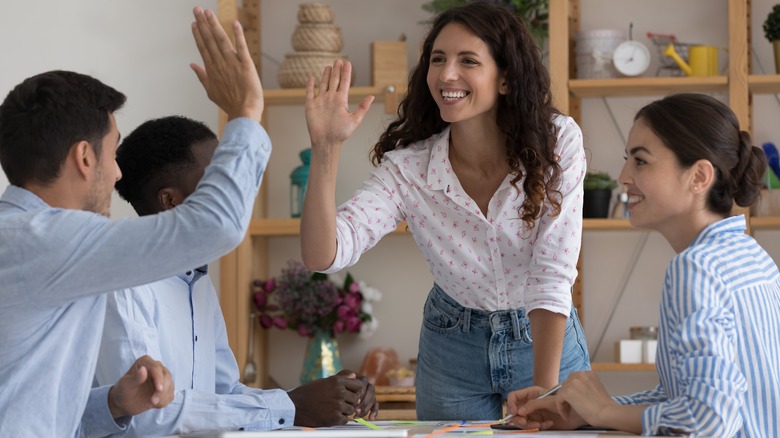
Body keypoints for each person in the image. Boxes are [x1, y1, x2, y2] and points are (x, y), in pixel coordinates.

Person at [300, 1, 589, 420]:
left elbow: (553, 271)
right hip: (452, 349)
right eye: (438, 59)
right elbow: (323, 255)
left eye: (467, 60)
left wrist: (544, 389)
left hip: (545, 340)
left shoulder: (557, 142)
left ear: (505, 78)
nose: (447, 74)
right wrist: (326, 148)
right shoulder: (409, 168)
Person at [0, 7, 271, 436]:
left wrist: (113, 402)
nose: (118, 173)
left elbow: (32, 412)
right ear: (85, 159)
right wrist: (246, 113)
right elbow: (216, 225)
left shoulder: (22, 239)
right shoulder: (47, 240)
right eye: (113, 153)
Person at [507, 93, 780, 437]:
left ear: (699, 177)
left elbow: (709, 417)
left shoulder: (696, 269)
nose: (623, 176)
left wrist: (605, 410)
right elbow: (687, 397)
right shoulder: (751, 256)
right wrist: (591, 413)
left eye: (640, 161)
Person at [94, 115, 379, 436]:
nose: (233, 192)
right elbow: (145, 415)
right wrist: (293, 406)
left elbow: (222, 394)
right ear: (169, 200)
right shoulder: (123, 278)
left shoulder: (195, 278)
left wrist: (324, 398)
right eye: (218, 179)